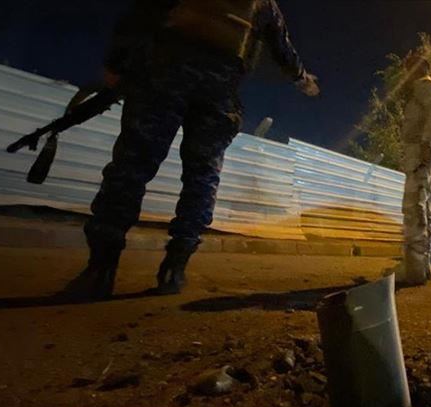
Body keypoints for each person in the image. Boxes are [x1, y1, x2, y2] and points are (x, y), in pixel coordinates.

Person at [64, 0, 320, 299]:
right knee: (202, 177)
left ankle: (100, 268)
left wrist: (116, 64)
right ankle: (175, 268)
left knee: (132, 165)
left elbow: (141, 14)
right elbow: (283, 49)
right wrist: (302, 79)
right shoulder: (264, 5)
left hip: (164, 73)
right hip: (219, 89)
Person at [392, 54, 431, 286]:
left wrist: (425, 146)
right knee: (424, 209)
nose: (407, 73)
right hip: (425, 154)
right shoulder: (425, 88)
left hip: (422, 154)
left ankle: (414, 269)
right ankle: (422, 266)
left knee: (413, 207)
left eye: (409, 68)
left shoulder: (424, 86)